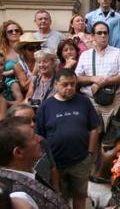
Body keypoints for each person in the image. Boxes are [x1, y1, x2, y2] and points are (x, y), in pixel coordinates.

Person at [36, 68, 100, 209]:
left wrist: (90, 153)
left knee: (80, 196)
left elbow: (94, 128)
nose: (70, 87)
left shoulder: (84, 102)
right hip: (55, 164)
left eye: (72, 84)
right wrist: (46, 160)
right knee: (59, 198)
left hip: (81, 161)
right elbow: (39, 135)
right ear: (56, 85)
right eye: (65, 84)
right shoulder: (46, 106)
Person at [0, 117, 69, 208]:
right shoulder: (18, 197)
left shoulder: (28, 171)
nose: (40, 139)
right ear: (18, 152)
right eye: (33, 137)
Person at [75, 21, 120, 130]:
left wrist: (103, 82)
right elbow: (77, 78)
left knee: (111, 137)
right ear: (93, 36)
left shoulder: (118, 53)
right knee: (92, 134)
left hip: (113, 102)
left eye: (105, 33)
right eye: (99, 33)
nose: (103, 35)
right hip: (91, 102)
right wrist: (93, 79)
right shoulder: (85, 55)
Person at [6, 104, 59, 192]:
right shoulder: (5, 148)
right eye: (24, 121)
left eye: (33, 119)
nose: (32, 124)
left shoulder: (41, 141)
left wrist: (56, 190)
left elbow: (52, 167)